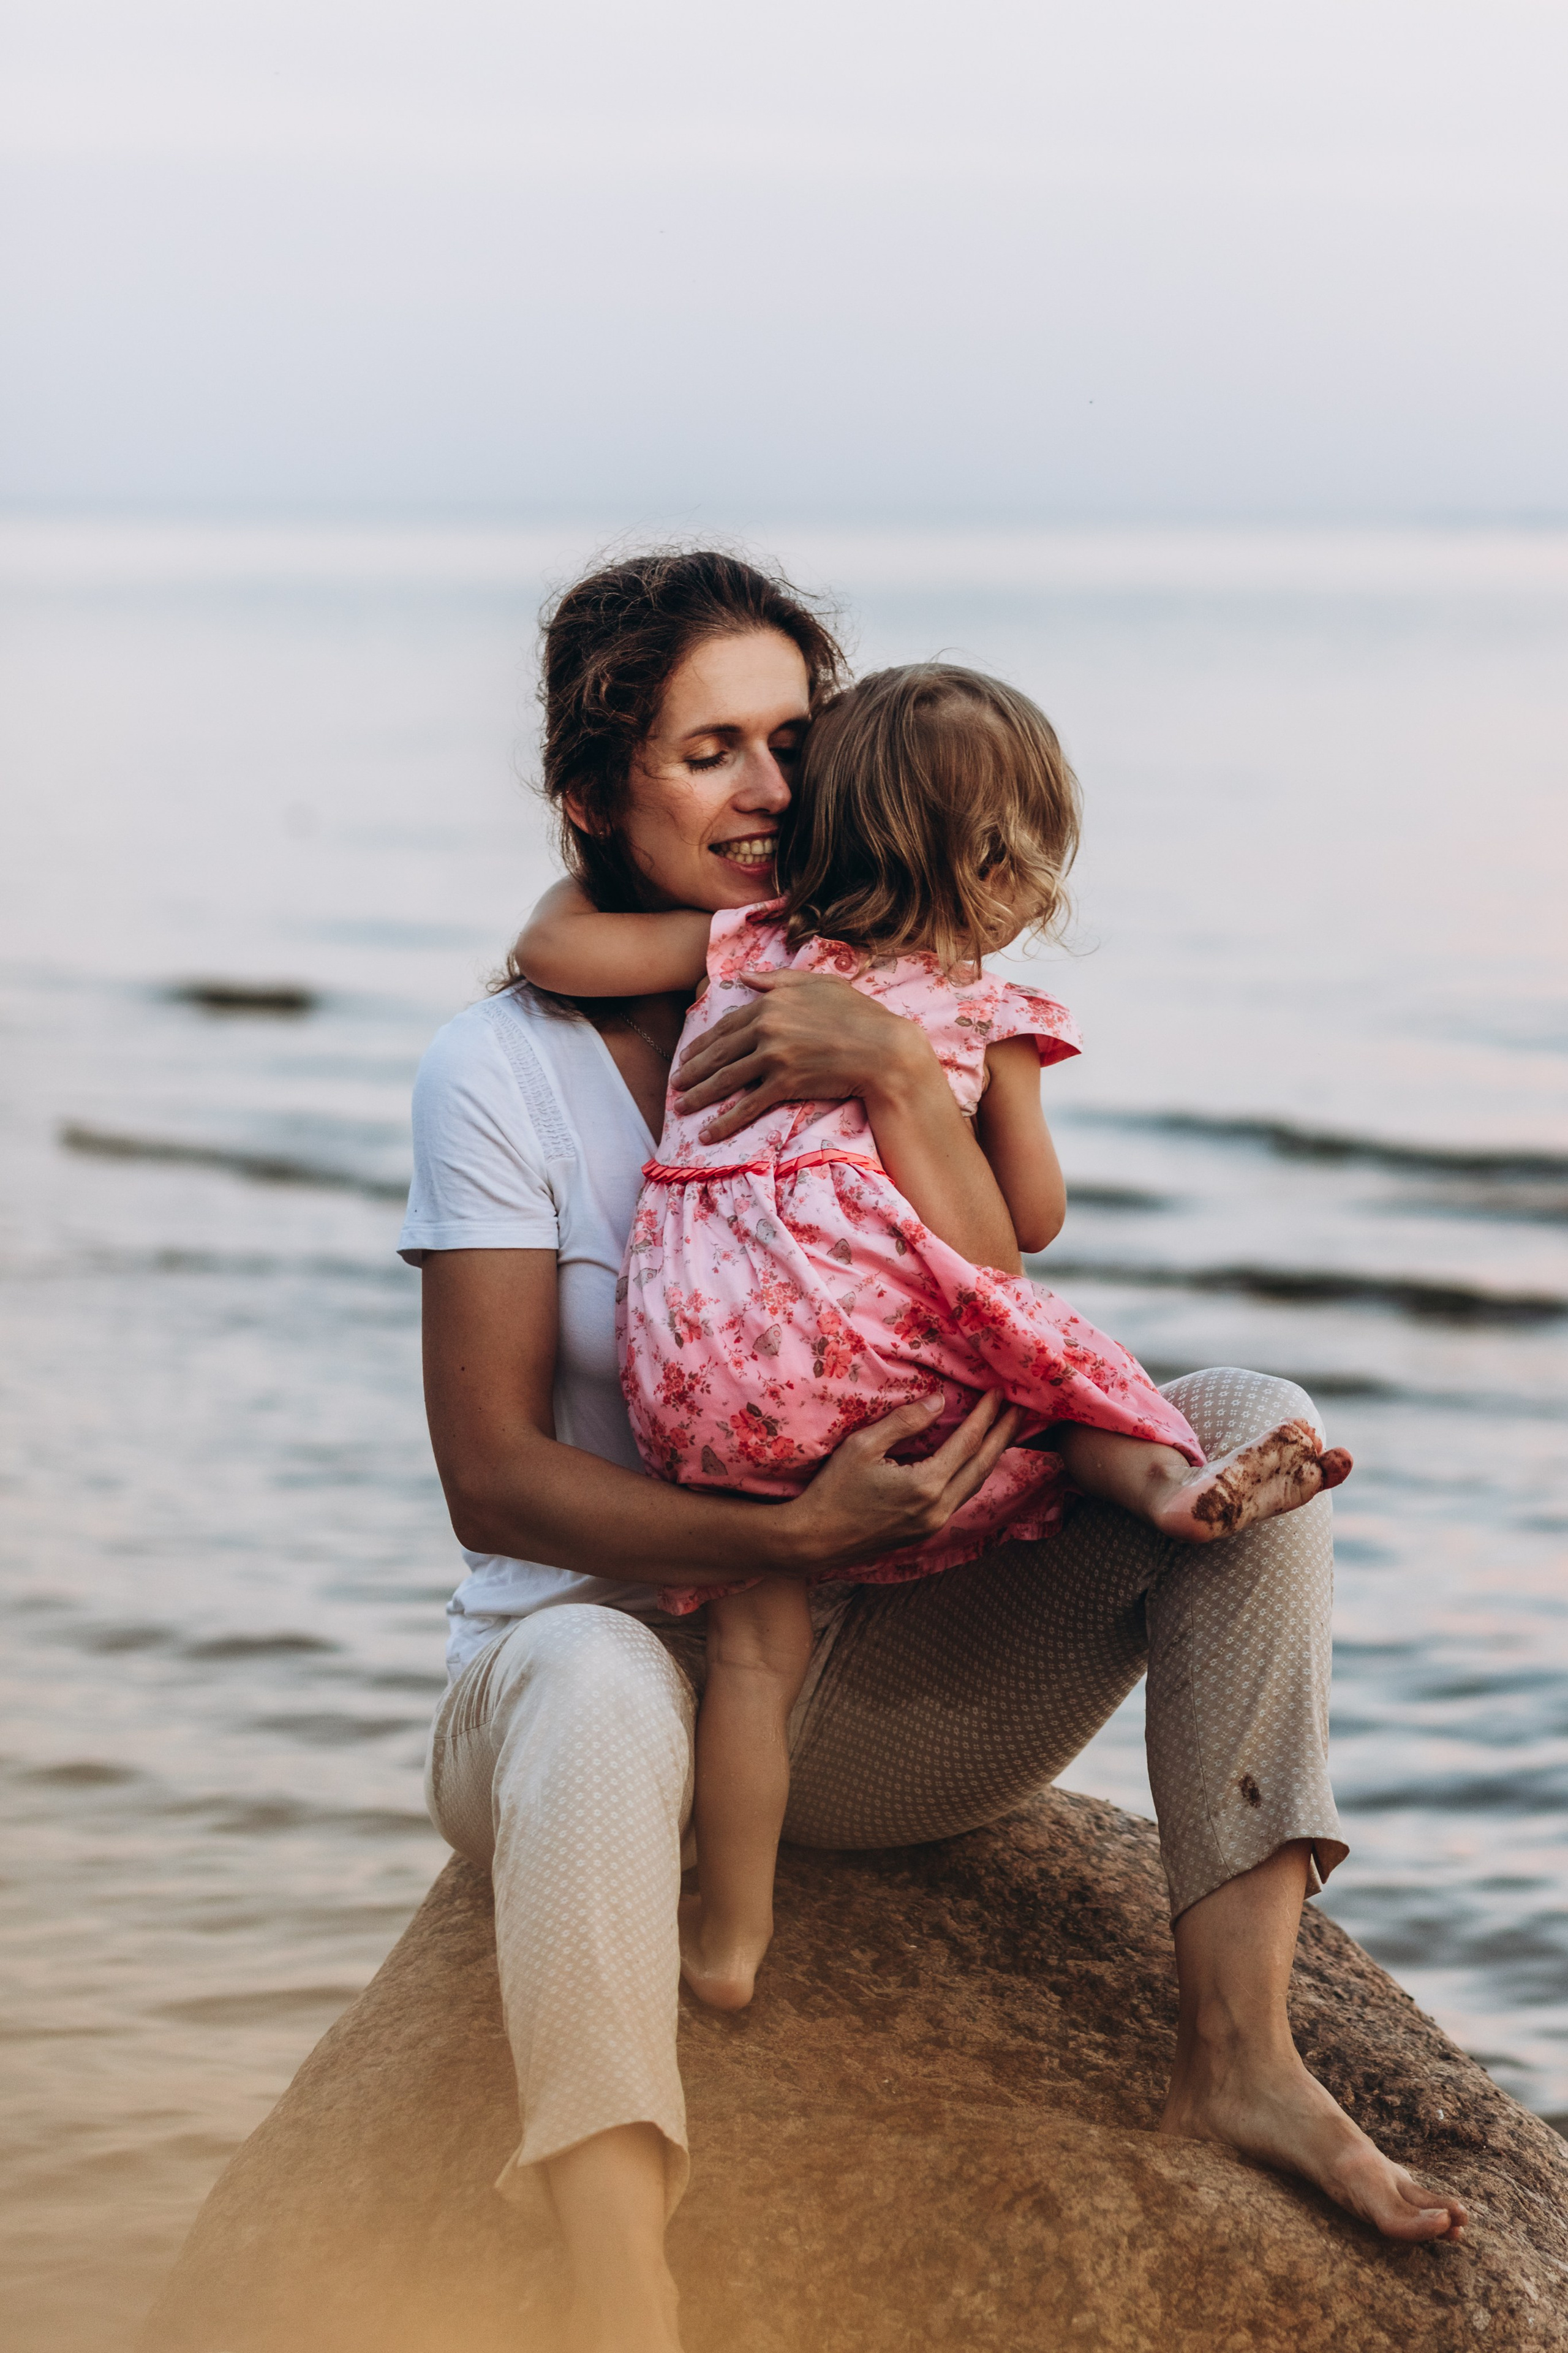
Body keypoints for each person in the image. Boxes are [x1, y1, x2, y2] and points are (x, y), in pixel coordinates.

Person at [402, 550, 1466, 2353]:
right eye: (705, 751)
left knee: (1244, 1427)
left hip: (881, 1689)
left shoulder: (905, 989)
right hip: (612, 1699)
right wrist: (788, 1535)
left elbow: (994, 1263)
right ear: (596, 793)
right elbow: (491, 1480)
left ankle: (1244, 2058)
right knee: (587, 1662)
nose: (765, 792)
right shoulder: (500, 1072)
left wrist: (896, 1068)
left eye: (791, 741)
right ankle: (612, 2262)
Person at [514, 662, 1352, 2014]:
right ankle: (1167, 1484)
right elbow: (1020, 1227)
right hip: (861, 1355)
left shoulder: (745, 942)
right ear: (1006, 861)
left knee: (749, 1656)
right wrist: (938, 1093)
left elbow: (553, 953)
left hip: (705, 1372)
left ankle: (726, 1940)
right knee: (1048, 1374)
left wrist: (586, 867)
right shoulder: (986, 1009)